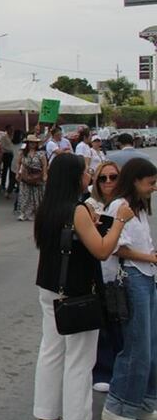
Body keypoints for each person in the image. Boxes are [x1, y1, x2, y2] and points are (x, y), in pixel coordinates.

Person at [32, 153, 130, 420]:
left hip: (49, 287)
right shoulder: (77, 210)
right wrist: (119, 223)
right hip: (77, 292)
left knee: (51, 350)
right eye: (86, 171)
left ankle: (45, 414)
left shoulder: (47, 208)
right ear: (75, 176)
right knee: (80, 358)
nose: (90, 175)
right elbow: (101, 250)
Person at [100, 157, 157, 420]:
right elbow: (116, 248)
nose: (153, 188)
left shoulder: (139, 207)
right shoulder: (119, 206)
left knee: (150, 345)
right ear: (136, 181)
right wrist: (149, 257)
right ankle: (118, 405)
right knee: (137, 347)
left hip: (145, 276)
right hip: (132, 278)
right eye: (150, 183)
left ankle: (143, 401)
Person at [88, 160, 123, 393]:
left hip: (119, 273)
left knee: (119, 320)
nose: (108, 182)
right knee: (103, 323)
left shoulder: (124, 204)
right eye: (103, 178)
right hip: (98, 270)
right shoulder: (90, 206)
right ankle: (101, 370)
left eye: (113, 177)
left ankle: (117, 369)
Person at [16, 135, 49, 222]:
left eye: (34, 143)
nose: (32, 144)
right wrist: (17, 173)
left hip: (37, 175)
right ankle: (23, 213)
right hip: (26, 175)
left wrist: (45, 174)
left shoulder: (41, 153)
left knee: (37, 195)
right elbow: (19, 163)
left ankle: (36, 213)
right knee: (25, 195)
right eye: (30, 142)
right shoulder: (23, 153)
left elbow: (44, 165)